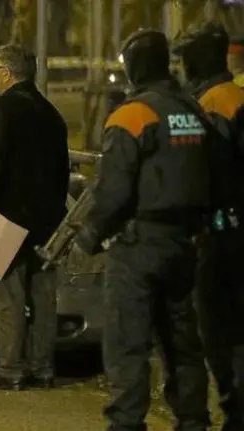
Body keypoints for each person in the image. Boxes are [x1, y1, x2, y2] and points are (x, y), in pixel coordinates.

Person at [73, 29, 212, 430]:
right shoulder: (193, 110)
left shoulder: (132, 116)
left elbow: (113, 191)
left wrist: (89, 236)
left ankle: (128, 423)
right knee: (184, 345)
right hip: (186, 244)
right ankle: (194, 421)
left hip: (139, 246)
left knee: (127, 344)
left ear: (132, 68)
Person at [0, 44, 70, 391]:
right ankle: (43, 368)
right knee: (43, 298)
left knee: (7, 299)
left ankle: (10, 370)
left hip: (6, 216)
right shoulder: (52, 113)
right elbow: (62, 172)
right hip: (47, 221)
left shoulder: (2, 109)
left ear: (6, 73)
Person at [172, 23, 244, 431]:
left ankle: (234, 410)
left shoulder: (213, 103)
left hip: (219, 236)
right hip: (234, 231)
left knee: (217, 332)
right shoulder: (232, 97)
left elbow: (205, 173)